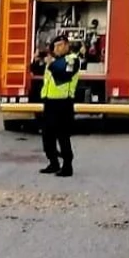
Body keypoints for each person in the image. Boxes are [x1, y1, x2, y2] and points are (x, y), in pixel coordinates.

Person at [35, 33, 81, 177]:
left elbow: (64, 75)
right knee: (47, 135)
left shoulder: (72, 60)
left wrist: (51, 63)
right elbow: (36, 70)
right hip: (49, 102)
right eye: (55, 46)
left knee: (63, 136)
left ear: (67, 45)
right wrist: (37, 60)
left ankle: (67, 166)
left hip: (63, 103)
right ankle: (53, 162)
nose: (57, 48)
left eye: (60, 45)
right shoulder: (53, 61)